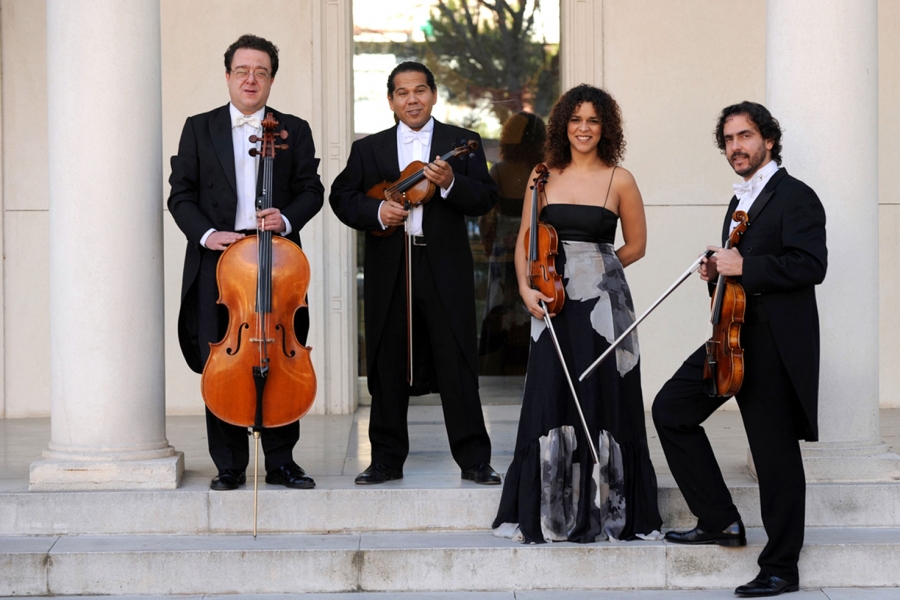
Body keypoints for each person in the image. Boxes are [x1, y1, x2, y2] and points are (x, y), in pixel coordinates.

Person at [652, 101, 827, 597]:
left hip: (772, 343)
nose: (736, 147)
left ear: (768, 140)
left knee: (774, 454)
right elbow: (739, 265)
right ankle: (720, 519)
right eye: (729, 139)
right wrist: (717, 273)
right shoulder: (740, 201)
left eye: (745, 136)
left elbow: (810, 265)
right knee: (670, 410)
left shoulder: (796, 197)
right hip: (730, 335)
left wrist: (744, 266)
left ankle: (781, 567)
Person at [493, 84, 663, 543]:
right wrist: (527, 290)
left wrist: (597, 270)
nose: (583, 128)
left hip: (605, 307)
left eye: (593, 120)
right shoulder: (542, 174)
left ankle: (610, 507)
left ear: (604, 128)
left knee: (607, 397)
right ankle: (552, 510)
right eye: (576, 119)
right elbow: (526, 240)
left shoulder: (619, 179)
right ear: (562, 124)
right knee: (551, 396)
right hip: (551, 300)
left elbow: (637, 245)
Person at [329, 61, 501, 485]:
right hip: (392, 264)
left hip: (444, 265)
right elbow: (341, 196)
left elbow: (485, 198)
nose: (412, 99)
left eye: (420, 90)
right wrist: (376, 210)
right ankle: (385, 460)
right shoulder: (370, 149)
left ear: (434, 95)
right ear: (391, 100)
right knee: (387, 358)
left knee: (457, 356)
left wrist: (450, 184)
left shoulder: (462, 143)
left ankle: (474, 459)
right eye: (402, 93)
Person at [168, 34, 324, 491]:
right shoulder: (199, 127)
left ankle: (281, 462)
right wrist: (207, 233)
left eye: (261, 71)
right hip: (220, 264)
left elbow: (311, 190)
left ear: (272, 78)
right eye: (242, 71)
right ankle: (229, 463)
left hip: (275, 263)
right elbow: (181, 194)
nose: (251, 79)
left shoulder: (292, 128)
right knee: (224, 357)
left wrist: (287, 216)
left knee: (280, 357)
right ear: (228, 77)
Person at [478, 111, 546, 375]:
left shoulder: (500, 170)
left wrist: (488, 244)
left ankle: (497, 363)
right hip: (535, 244)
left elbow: (487, 216)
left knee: (500, 301)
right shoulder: (543, 171)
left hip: (504, 245)